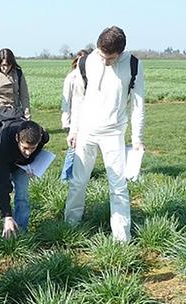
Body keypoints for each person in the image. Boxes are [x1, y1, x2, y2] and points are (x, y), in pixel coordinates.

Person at [64, 27, 145, 243]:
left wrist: (137, 138)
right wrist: (74, 129)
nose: (105, 61)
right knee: (78, 182)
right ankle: (70, 225)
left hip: (114, 133)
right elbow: (78, 99)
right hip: (87, 132)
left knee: (118, 185)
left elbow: (138, 104)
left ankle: (121, 238)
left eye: (110, 58)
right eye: (102, 55)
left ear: (121, 52)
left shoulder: (134, 65)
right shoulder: (86, 62)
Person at [0, 48, 30, 138]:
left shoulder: (18, 73)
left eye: (9, 65)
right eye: (3, 65)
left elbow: (24, 96)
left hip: (14, 112)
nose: (6, 68)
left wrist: (27, 115)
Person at [59, 49, 88, 182]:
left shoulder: (89, 76)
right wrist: (66, 121)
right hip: (74, 118)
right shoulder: (71, 77)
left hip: (85, 118)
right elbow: (66, 100)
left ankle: (78, 173)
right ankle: (65, 176)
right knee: (73, 147)